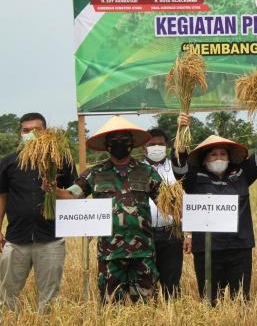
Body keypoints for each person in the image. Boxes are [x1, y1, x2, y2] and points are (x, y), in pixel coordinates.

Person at [55, 116, 161, 304]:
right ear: (106, 144)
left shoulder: (147, 172)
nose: (120, 143)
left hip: (143, 251)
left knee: (147, 308)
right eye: (114, 140)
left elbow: (167, 202)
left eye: (124, 139)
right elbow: (71, 196)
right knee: (111, 307)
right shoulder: (93, 173)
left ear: (131, 143)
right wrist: (50, 189)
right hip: (110, 253)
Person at [173, 109, 257, 303]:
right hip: (207, 249)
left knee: (241, 299)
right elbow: (179, 166)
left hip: (239, 247)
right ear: (204, 159)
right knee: (210, 300)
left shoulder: (241, 175)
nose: (218, 158)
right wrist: (181, 131)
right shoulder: (193, 179)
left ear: (229, 158)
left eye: (222, 154)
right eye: (213, 155)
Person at [0, 113, 77, 312]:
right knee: (6, 294)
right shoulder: (9, 163)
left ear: (46, 132)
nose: (31, 135)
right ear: (20, 133)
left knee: (50, 298)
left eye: (36, 131)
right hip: (16, 239)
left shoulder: (60, 160)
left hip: (50, 238)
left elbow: (75, 194)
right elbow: (2, 198)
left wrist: (54, 190)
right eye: (26, 131)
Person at [141, 128, 183, 300]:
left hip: (171, 232)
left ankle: (172, 314)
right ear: (143, 148)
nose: (156, 147)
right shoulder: (137, 170)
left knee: (171, 280)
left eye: (160, 144)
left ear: (166, 146)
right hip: (144, 233)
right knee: (146, 280)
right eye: (152, 145)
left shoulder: (177, 168)